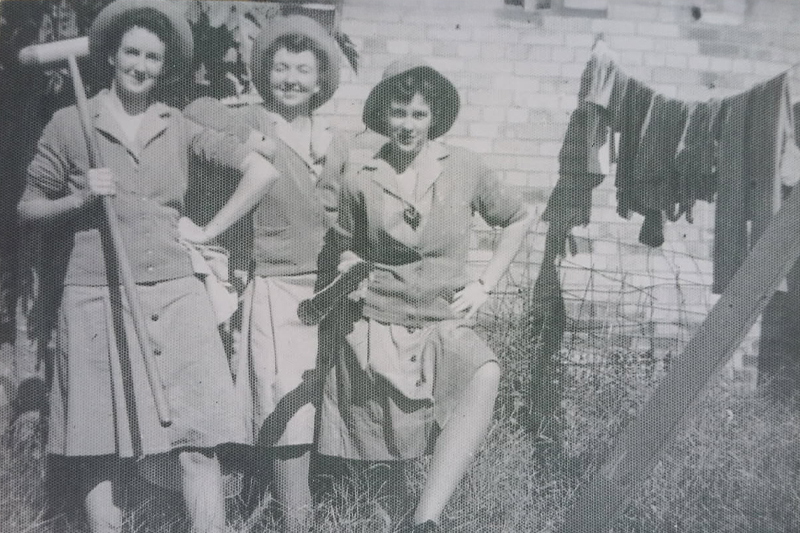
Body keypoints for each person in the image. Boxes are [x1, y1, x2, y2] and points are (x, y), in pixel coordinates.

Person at [16, 1, 279, 532]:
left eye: (153, 58)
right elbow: (27, 209)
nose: (140, 65)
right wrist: (79, 199)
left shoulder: (177, 124)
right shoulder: (71, 124)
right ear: (111, 55)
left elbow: (261, 170)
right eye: (132, 52)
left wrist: (208, 231)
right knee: (101, 450)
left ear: (164, 66)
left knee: (199, 443)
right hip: (95, 295)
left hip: (177, 297)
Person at [316, 57, 535, 532]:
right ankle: (384, 515)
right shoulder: (362, 173)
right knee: (385, 445)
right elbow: (339, 244)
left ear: (434, 117)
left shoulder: (465, 167)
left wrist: (484, 284)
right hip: (375, 317)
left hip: (440, 318)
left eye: (418, 114)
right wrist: (347, 268)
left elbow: (518, 218)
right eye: (398, 112)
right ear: (383, 113)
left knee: (484, 371)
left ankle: (427, 519)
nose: (407, 126)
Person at [182, 14, 347, 533]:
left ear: (321, 80)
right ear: (262, 74)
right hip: (276, 285)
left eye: (303, 70)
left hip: (331, 289)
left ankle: (306, 508)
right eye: (280, 68)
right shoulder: (249, 119)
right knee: (286, 409)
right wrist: (254, 142)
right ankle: (297, 522)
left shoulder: (335, 140)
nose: (292, 80)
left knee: (326, 406)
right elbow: (194, 110)